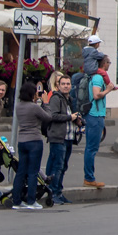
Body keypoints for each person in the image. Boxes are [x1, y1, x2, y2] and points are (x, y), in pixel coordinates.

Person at [13, 81, 69, 210]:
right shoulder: (34, 107)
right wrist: (45, 102)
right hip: (34, 140)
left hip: (22, 141)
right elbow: (48, 117)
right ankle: (31, 201)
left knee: (21, 171)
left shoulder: (18, 106)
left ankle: (16, 201)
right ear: (32, 94)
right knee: (33, 172)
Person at [44, 74, 81, 204]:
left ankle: (59, 192)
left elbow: (72, 115)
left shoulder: (69, 99)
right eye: (63, 84)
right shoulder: (56, 98)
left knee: (63, 166)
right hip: (58, 138)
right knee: (57, 166)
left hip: (69, 137)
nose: (66, 86)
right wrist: (69, 117)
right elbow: (52, 116)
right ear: (58, 86)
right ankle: (52, 193)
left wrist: (78, 121)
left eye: (68, 84)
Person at [83, 56, 112, 188]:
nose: (109, 65)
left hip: (95, 115)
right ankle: (89, 178)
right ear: (104, 63)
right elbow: (96, 95)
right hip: (95, 115)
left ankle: (89, 177)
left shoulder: (96, 76)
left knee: (91, 147)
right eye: (109, 62)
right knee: (92, 148)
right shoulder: (98, 78)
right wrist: (108, 90)